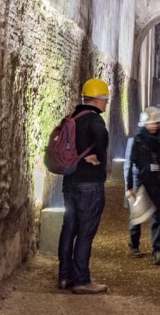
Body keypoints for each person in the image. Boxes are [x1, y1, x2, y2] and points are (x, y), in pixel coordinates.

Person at [57, 78, 111, 294]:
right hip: (89, 185)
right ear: (98, 100)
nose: (106, 104)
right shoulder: (95, 122)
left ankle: (64, 276)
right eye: (105, 100)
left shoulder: (73, 117)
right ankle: (81, 280)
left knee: (69, 228)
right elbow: (102, 141)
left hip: (70, 181)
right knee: (86, 232)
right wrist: (98, 157)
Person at [124, 106, 160, 265]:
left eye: (156, 123)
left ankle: (158, 250)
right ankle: (134, 245)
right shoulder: (137, 140)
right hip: (141, 182)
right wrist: (130, 187)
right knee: (136, 217)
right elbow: (130, 165)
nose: (154, 126)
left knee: (157, 218)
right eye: (151, 123)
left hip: (156, 182)